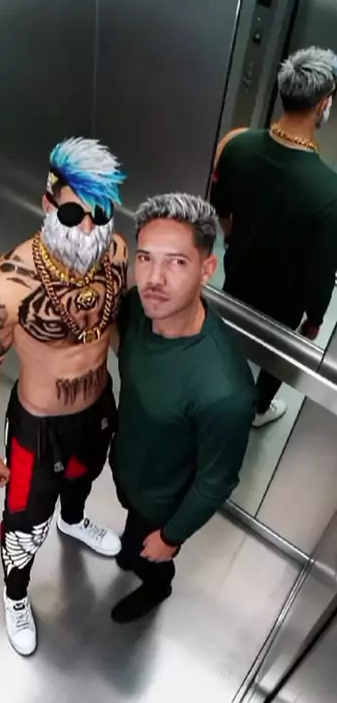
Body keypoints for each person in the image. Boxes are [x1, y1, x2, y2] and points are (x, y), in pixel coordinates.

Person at [0, 137, 128, 656]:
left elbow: (116, 327)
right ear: (48, 204)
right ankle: (15, 595)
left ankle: (73, 521)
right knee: (24, 523)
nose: (88, 228)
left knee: (85, 477)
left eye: (100, 214)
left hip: (98, 409)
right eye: (74, 212)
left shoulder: (116, 255)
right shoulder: (4, 285)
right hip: (38, 428)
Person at [110, 193, 256, 624]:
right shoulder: (138, 308)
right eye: (145, 259)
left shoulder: (224, 389)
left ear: (207, 269)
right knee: (133, 537)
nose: (154, 278)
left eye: (176, 262)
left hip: (164, 504)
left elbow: (215, 482)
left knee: (150, 556)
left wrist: (170, 538)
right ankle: (134, 548)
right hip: (129, 470)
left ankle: (157, 585)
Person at [211, 46, 337, 427]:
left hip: (239, 271)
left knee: (228, 332)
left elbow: (221, 209)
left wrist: (233, 239)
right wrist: (314, 319)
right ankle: (259, 407)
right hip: (285, 299)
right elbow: (320, 271)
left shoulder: (237, 145)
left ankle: (215, 386)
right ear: (323, 104)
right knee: (278, 354)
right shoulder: (329, 191)